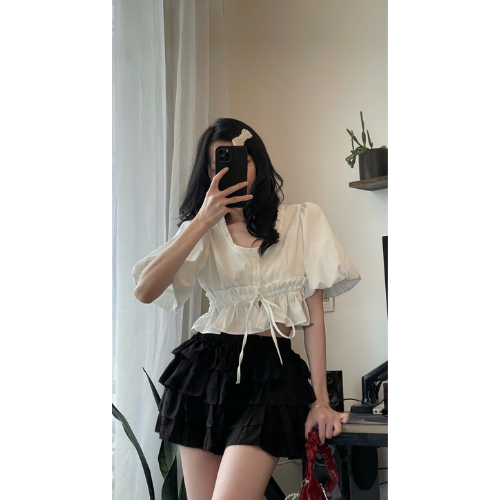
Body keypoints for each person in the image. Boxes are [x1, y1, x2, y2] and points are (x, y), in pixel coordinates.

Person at [132, 117, 361, 500]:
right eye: (216, 163)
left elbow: (314, 319)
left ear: (258, 162)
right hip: (205, 373)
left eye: (241, 159)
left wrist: (321, 401)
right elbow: (145, 290)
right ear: (207, 173)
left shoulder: (302, 221)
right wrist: (201, 221)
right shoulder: (203, 230)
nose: (229, 169)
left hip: (271, 373)